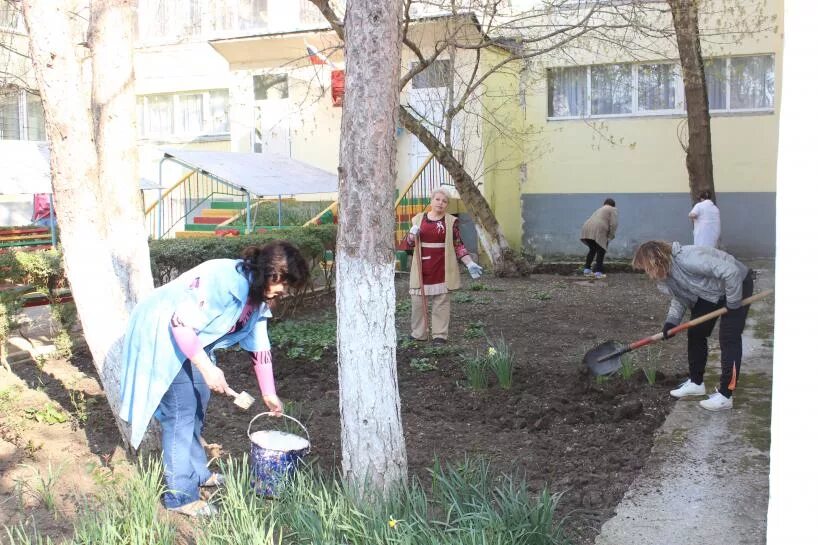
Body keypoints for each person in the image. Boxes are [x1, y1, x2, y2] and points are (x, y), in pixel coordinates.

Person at [118, 241, 309, 516]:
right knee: (181, 414)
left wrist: (268, 392)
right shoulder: (222, 279)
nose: (285, 292)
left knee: (197, 404)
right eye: (285, 284)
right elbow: (179, 323)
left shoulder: (257, 298)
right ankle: (180, 496)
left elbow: (261, 346)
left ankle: (198, 473)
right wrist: (207, 368)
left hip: (192, 340)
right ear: (273, 273)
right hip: (162, 334)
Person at [631, 240, 754, 411]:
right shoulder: (667, 274)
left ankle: (726, 395)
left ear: (656, 261)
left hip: (737, 284)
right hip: (712, 292)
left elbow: (731, 272)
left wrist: (733, 304)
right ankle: (696, 383)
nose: (648, 274)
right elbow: (680, 297)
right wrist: (671, 322)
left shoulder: (689, 259)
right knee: (696, 333)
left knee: (728, 338)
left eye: (647, 268)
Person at [405, 188, 482, 344]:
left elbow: (458, 245)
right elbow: (409, 244)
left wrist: (469, 263)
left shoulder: (450, 222)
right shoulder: (418, 219)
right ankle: (418, 333)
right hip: (422, 265)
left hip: (442, 264)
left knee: (441, 301)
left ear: (447, 204)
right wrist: (412, 235)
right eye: (438, 199)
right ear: (432, 200)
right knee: (418, 301)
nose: (441, 203)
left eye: (444, 201)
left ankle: (439, 335)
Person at [580, 198, 618, 279]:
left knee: (592, 249)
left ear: (605, 204)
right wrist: (610, 236)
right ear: (613, 205)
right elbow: (614, 224)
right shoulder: (612, 209)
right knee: (601, 251)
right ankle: (598, 273)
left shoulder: (600, 209)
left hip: (586, 227)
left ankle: (587, 270)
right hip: (599, 229)